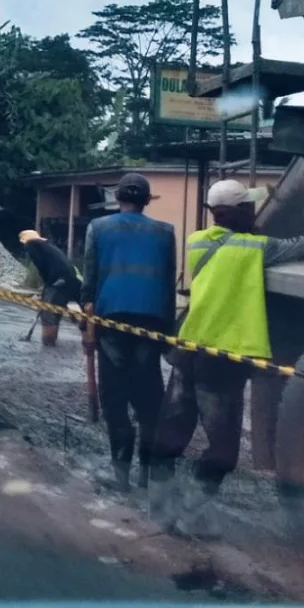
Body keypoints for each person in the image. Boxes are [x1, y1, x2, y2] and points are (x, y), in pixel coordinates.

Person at [148, 179, 304, 536]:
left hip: (187, 351)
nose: (254, 210)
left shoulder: (199, 241)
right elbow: (303, 245)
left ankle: (159, 505)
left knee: (172, 431)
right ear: (234, 211)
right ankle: (187, 512)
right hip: (223, 360)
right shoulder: (255, 247)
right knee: (224, 449)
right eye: (248, 206)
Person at [81, 172, 178, 492]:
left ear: (118, 198)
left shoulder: (98, 228)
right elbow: (167, 284)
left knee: (115, 397)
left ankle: (120, 475)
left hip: (112, 324)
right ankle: (147, 474)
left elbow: (90, 282)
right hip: (151, 326)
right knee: (150, 399)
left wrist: (87, 317)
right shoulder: (166, 232)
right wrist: (166, 331)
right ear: (146, 201)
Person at [20, 230, 82, 346]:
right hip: (74, 280)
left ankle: (48, 345)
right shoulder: (50, 248)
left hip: (58, 281)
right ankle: (88, 339)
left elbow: (41, 267)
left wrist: (47, 285)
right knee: (57, 309)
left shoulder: (31, 245)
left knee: (48, 314)